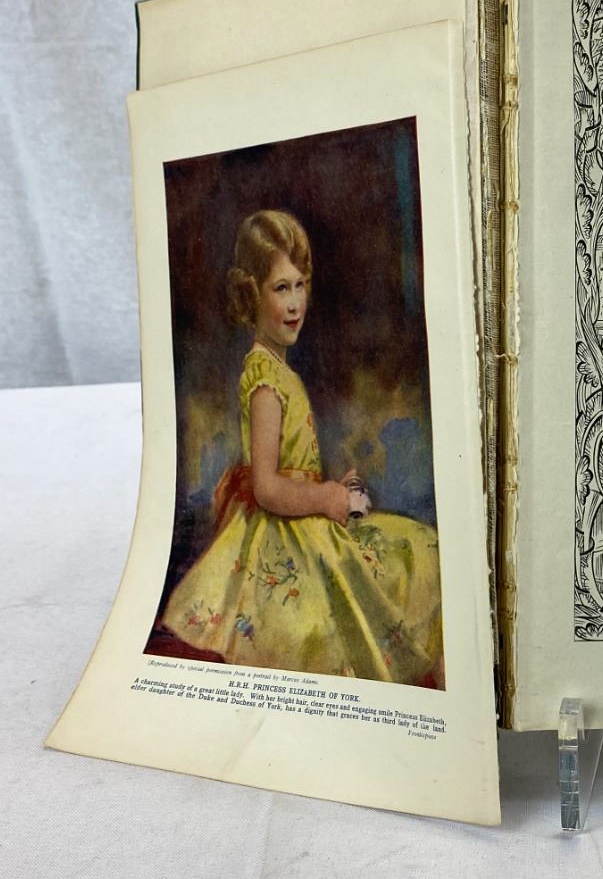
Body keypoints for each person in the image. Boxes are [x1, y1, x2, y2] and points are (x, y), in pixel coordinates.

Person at [147, 210, 443, 687]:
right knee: (418, 552)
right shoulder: (265, 380)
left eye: (300, 285)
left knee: (417, 548)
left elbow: (292, 467)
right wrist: (328, 497)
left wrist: (334, 488)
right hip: (287, 534)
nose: (294, 303)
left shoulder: (278, 371)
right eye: (280, 288)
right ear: (251, 295)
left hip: (302, 516)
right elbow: (267, 487)